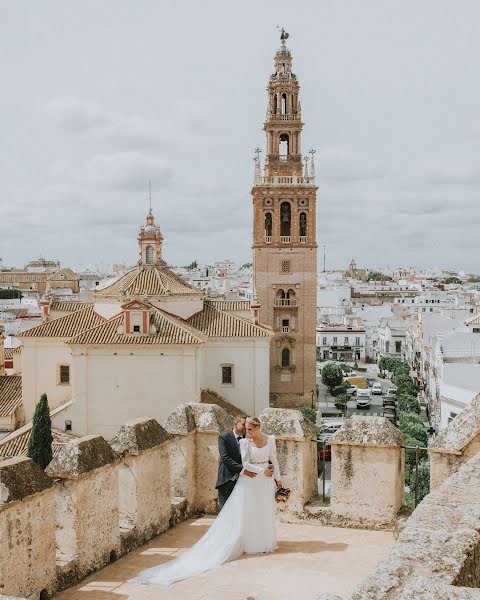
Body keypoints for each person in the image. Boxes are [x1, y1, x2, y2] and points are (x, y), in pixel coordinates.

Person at [130, 416, 282, 586]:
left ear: (257, 427)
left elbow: (272, 459)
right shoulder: (230, 439)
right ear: (236, 423)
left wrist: (276, 476)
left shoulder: (265, 440)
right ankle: (229, 542)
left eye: (249, 428)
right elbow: (231, 460)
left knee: (258, 512)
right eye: (244, 426)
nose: (246, 430)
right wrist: (261, 471)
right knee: (228, 516)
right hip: (236, 480)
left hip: (258, 482)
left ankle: (254, 540)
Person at [215, 415, 274, 509]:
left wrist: (270, 464)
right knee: (225, 510)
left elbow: (257, 453)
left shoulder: (247, 438)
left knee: (239, 510)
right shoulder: (224, 437)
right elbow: (225, 458)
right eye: (243, 424)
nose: (245, 427)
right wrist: (243, 470)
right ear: (235, 424)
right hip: (227, 479)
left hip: (242, 481)